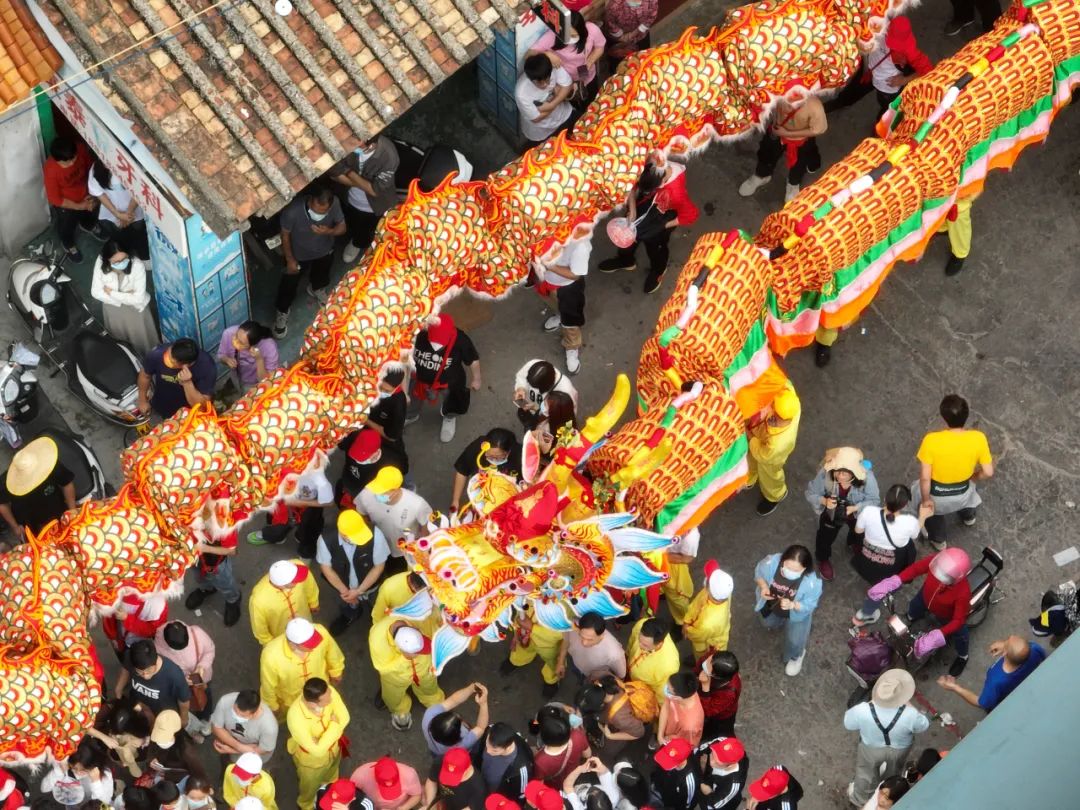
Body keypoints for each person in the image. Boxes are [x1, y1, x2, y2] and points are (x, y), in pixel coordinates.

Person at [860, 548, 972, 675]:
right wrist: (897, 580)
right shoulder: (939, 562)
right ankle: (910, 617)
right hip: (925, 597)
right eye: (939, 569)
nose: (939, 575)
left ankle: (963, 656)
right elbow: (916, 569)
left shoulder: (963, 593)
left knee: (961, 634)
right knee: (914, 607)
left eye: (945, 575)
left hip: (946, 615)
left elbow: (958, 620)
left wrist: (939, 634)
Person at [597, 158, 699, 294]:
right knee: (627, 236)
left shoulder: (676, 193)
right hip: (642, 207)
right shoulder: (648, 163)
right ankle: (626, 260)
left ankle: (658, 270)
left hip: (662, 217)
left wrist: (663, 226)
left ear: (661, 184)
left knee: (655, 248)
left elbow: (690, 215)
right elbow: (631, 185)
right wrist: (633, 208)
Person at [912, 393, 994, 550]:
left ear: (944, 417)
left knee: (932, 513)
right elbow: (988, 472)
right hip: (963, 491)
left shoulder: (931, 440)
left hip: (938, 495)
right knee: (970, 494)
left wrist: (926, 500)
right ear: (966, 415)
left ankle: (939, 540)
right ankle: (968, 517)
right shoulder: (978, 438)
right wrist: (974, 477)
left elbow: (925, 478)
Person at [843, 669, 929, 806]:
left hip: (870, 748)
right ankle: (887, 794)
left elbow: (848, 724)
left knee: (866, 774)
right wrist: (908, 704)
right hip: (899, 749)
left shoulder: (862, 710)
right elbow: (923, 725)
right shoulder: (910, 714)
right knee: (893, 774)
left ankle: (860, 800)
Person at [824, 17, 932, 120]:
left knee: (886, 108)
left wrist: (903, 80)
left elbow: (927, 70)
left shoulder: (910, 50)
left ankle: (880, 125)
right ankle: (839, 103)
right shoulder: (879, 25)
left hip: (887, 85)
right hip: (868, 72)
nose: (894, 46)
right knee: (851, 92)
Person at [274, 187, 346, 338]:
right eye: (315, 210)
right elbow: (284, 235)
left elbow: (342, 227)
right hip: (298, 254)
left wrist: (328, 231)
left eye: (323, 212)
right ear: (310, 200)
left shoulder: (335, 204)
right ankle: (282, 311)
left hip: (324, 250)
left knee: (322, 275)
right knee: (288, 284)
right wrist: (290, 260)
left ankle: (317, 289)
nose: (318, 215)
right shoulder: (292, 211)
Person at [738, 80, 827, 203]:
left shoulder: (814, 105)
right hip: (776, 130)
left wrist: (787, 134)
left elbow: (818, 129)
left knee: (799, 164)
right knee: (766, 154)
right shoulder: (777, 85)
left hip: (800, 140)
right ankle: (762, 175)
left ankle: (793, 184)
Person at [803, 446, 880, 581]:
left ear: (854, 473)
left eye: (844, 473)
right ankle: (823, 559)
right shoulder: (825, 473)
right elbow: (810, 493)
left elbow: (874, 500)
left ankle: (853, 543)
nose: (839, 476)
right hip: (832, 512)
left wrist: (856, 508)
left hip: (856, 514)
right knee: (824, 538)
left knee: (858, 532)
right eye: (837, 471)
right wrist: (824, 501)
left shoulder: (867, 477)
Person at [408, 314, 482, 443]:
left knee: (452, 401)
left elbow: (473, 360)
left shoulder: (461, 340)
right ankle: (411, 415)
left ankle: (449, 417)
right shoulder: (419, 333)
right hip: (419, 378)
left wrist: (477, 378)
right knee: (412, 397)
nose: (436, 347)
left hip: (450, 382)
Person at [317, 508, 390, 636]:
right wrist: (346, 593)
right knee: (348, 603)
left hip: (371, 585)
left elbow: (378, 566)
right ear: (343, 534)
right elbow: (326, 568)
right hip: (343, 586)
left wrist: (359, 591)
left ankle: (378, 618)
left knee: (378, 602)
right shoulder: (325, 540)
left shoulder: (375, 534)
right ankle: (351, 613)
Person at [248, 450, 334, 556]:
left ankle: (304, 547)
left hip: (307, 506)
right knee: (277, 524)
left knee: (308, 530)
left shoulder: (321, 482)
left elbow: (329, 502)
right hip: (285, 502)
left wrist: (301, 503)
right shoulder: (292, 461)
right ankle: (275, 536)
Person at [330, 135, 400, 265]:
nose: (350, 147)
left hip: (373, 206)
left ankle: (358, 244)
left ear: (370, 144)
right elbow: (334, 174)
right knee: (352, 221)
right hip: (348, 198)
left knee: (366, 229)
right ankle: (353, 238)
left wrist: (348, 172)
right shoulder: (345, 140)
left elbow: (375, 191)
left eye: (356, 145)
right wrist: (364, 184)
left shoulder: (388, 155)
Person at [753, 545, 822, 676]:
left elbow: (810, 604)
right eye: (788, 567)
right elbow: (759, 573)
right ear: (782, 560)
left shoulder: (812, 583)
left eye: (796, 570)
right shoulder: (771, 562)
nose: (790, 572)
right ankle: (780, 621)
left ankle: (797, 655)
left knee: (795, 641)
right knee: (767, 622)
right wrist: (763, 587)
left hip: (797, 613)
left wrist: (793, 605)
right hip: (773, 605)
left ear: (805, 569)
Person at [259, 617, 344, 720]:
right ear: (293, 645)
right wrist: (272, 705)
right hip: (290, 700)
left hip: (320, 691)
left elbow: (332, 652)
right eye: (309, 644)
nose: (315, 645)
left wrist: (336, 671)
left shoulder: (320, 631)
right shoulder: (270, 656)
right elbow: (268, 685)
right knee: (290, 717)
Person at [370, 619, 447, 730]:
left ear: (415, 629)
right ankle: (400, 710)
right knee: (393, 696)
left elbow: (434, 623)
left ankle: (433, 700)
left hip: (424, 668)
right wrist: (404, 659)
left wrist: (442, 624)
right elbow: (383, 669)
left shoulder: (418, 617)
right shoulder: (377, 638)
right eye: (418, 651)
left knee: (429, 687)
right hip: (396, 677)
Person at [936, 635, 1046, 712]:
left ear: (1005, 653)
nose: (1004, 641)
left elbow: (981, 703)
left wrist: (954, 687)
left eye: (1007, 641)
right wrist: (1005, 645)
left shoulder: (996, 681)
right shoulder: (1034, 649)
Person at [287, 678, 350, 810]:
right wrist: (334, 725)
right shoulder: (295, 717)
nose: (331, 699)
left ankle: (329, 786)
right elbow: (317, 751)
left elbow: (345, 717)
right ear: (312, 703)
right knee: (309, 786)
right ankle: (306, 805)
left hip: (334, 749)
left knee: (332, 772)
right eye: (327, 700)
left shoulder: (328, 691)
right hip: (312, 763)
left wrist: (322, 740)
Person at [850, 484, 930, 587]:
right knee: (910, 545)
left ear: (885, 498)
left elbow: (858, 531)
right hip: (889, 568)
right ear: (905, 505)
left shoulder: (868, 511)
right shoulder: (910, 522)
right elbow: (914, 535)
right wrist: (922, 517)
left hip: (866, 564)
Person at [0, 435, 76, 543]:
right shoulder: (7, 482)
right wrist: (15, 526)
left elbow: (67, 483)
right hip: (30, 522)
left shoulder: (50, 464)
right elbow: (2, 504)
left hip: (57, 511)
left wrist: (72, 510)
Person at [526, 11, 606, 111]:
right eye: (565, 34)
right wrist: (547, 54)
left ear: (581, 31)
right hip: (567, 80)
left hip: (587, 74)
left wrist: (590, 61)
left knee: (593, 99)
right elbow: (529, 54)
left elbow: (599, 47)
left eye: (573, 35)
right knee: (576, 103)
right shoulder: (552, 35)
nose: (568, 39)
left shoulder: (592, 29)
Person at [90, 239, 158, 355]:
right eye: (116, 261)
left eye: (124, 258)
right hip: (114, 309)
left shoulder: (137, 265)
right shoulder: (101, 261)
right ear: (107, 259)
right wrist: (127, 296)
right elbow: (96, 292)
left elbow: (138, 299)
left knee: (143, 339)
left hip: (135, 309)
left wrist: (112, 293)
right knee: (120, 339)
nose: (121, 263)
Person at [535, 237, 591, 374]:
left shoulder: (581, 245)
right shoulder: (544, 230)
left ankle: (572, 346)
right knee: (552, 302)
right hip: (545, 278)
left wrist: (550, 266)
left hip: (567, 287)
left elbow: (575, 275)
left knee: (570, 321)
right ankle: (559, 315)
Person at [356, 466, 432, 566]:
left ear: (396, 490)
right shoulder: (365, 495)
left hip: (405, 550)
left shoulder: (417, 504)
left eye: (382, 491)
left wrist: (422, 551)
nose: (376, 493)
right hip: (379, 547)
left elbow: (426, 529)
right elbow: (362, 515)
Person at [746, 384, 801, 516]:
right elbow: (783, 382)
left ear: (780, 417)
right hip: (761, 436)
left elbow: (762, 455)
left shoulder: (778, 444)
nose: (770, 409)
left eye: (773, 409)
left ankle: (775, 495)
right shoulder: (789, 398)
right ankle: (750, 476)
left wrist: (748, 434)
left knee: (769, 475)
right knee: (750, 456)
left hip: (770, 457)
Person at [154, 620, 215, 735]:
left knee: (205, 696)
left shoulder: (197, 634)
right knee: (186, 702)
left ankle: (205, 717)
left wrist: (202, 666)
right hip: (180, 683)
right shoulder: (159, 647)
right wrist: (180, 680)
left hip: (201, 678)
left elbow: (209, 650)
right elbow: (163, 669)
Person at [44, 136, 98, 261]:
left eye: (73, 158)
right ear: (56, 160)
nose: (72, 163)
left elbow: (91, 168)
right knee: (66, 226)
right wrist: (80, 206)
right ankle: (68, 244)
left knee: (90, 214)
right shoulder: (50, 169)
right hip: (67, 203)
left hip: (86, 194)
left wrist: (93, 193)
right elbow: (55, 199)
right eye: (66, 162)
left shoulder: (80, 148)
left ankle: (88, 225)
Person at [138, 338, 216, 420]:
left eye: (171, 362)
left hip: (187, 415)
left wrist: (187, 383)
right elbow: (145, 376)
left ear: (186, 365)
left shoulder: (206, 366)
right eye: (168, 354)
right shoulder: (158, 353)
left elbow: (201, 407)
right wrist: (142, 400)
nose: (166, 358)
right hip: (161, 404)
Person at [116, 639, 191, 723]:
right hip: (140, 704)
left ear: (156, 660)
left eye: (149, 671)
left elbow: (183, 700)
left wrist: (184, 718)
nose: (145, 676)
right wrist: (118, 690)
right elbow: (125, 670)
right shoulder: (130, 656)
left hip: (163, 713)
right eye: (139, 672)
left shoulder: (174, 674)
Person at [185, 519, 243, 628]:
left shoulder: (224, 521)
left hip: (216, 562)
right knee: (199, 577)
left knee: (224, 582)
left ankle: (233, 599)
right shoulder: (187, 513)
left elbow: (232, 550)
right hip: (194, 557)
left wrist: (204, 548)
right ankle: (207, 589)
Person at [248, 559, 320, 645]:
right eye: (294, 581)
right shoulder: (258, 600)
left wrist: (314, 602)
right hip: (280, 634)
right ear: (282, 584)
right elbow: (259, 627)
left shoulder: (297, 566)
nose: (299, 581)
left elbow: (310, 585)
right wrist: (269, 643)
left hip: (304, 620)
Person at [503, 603, 567, 698]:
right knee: (521, 650)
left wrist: (532, 628)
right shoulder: (531, 594)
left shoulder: (571, 602)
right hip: (525, 635)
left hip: (549, 645)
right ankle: (516, 661)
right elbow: (520, 608)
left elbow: (566, 633)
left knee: (553, 663)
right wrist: (516, 632)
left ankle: (551, 681)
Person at [578, 675, 646, 763]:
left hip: (627, 720)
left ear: (601, 705)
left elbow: (638, 733)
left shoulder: (619, 718)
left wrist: (610, 735)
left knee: (608, 751)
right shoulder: (604, 679)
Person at [451, 428, 523, 512]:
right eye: (490, 456)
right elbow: (462, 470)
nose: (494, 460)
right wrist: (455, 501)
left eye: (499, 457)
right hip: (480, 493)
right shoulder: (478, 446)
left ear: (509, 452)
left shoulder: (520, 456)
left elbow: (528, 483)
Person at [88, 161, 147, 256]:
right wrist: (117, 214)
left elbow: (140, 190)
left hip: (135, 208)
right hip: (113, 211)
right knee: (120, 234)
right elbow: (100, 195)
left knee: (139, 229)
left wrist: (129, 212)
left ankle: (141, 251)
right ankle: (127, 252)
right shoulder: (96, 170)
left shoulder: (135, 165)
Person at [338, 428, 409, 507]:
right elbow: (341, 444)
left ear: (376, 453)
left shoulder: (390, 465)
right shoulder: (354, 438)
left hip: (366, 495)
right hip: (349, 485)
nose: (355, 459)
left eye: (362, 457)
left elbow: (385, 493)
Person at [515, 55, 574, 149]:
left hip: (563, 115)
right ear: (530, 79)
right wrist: (557, 96)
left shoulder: (552, 66)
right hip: (541, 132)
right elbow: (536, 118)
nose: (545, 85)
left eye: (547, 80)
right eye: (539, 82)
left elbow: (567, 85)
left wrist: (551, 105)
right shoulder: (521, 93)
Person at [421, 683, 490, 759]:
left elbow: (453, 700)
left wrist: (471, 688)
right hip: (455, 755)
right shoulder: (463, 744)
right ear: (458, 736)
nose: (458, 715)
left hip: (435, 750)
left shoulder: (429, 716)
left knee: (439, 758)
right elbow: (481, 728)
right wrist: (483, 703)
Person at [209, 689, 278, 763]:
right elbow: (216, 727)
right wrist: (238, 746)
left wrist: (232, 750)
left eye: (242, 715)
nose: (236, 716)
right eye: (235, 710)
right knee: (226, 761)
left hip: (250, 759)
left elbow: (263, 750)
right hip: (231, 744)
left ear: (255, 713)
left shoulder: (269, 727)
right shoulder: (225, 701)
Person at [682, 561, 734, 660]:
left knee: (703, 658)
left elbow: (697, 635)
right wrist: (687, 620)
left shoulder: (708, 623)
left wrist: (687, 630)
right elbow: (696, 604)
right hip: (710, 632)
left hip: (709, 644)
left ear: (709, 588)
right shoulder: (723, 594)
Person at [557, 612, 627, 683]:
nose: (584, 643)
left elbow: (621, 676)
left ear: (602, 636)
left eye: (590, 639)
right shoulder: (572, 624)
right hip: (576, 663)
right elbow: (566, 641)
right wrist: (561, 662)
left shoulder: (614, 654)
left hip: (594, 679)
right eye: (581, 636)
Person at [531, 705, 591, 788]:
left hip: (556, 785)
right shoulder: (577, 735)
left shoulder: (540, 761)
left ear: (543, 738)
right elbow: (587, 754)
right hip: (574, 776)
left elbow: (539, 784)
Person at [473, 722, 534, 800]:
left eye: (494, 750)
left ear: (508, 747)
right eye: (487, 744)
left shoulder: (521, 770)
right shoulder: (489, 731)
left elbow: (519, 797)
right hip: (480, 779)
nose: (488, 751)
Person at [145, 709, 207, 784]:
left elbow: (196, 774)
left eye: (163, 738)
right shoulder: (157, 734)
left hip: (176, 778)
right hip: (162, 769)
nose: (159, 742)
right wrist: (151, 759)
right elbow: (152, 746)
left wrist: (168, 776)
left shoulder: (187, 751)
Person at [513, 360, 579, 431]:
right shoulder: (533, 365)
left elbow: (565, 420)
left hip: (546, 424)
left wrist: (540, 430)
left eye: (537, 387)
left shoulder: (566, 392)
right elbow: (521, 377)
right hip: (532, 410)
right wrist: (520, 388)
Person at [626, 618, 679, 702]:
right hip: (628, 669)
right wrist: (627, 654)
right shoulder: (641, 624)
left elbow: (661, 692)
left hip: (640, 689)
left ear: (659, 644)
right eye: (639, 640)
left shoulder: (669, 666)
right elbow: (631, 642)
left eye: (645, 645)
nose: (639, 645)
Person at [218, 321, 280, 392]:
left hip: (255, 384)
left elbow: (267, 381)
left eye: (241, 343)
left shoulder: (269, 347)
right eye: (236, 336)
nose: (235, 342)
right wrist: (226, 360)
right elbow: (221, 355)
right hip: (236, 378)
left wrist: (259, 360)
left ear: (252, 345)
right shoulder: (228, 333)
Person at [658, 527, 700, 629]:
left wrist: (658, 556)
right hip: (661, 560)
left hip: (672, 565)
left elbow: (686, 558)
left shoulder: (691, 536)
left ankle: (682, 620)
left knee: (677, 596)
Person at [372, 571, 437, 634]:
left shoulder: (427, 581)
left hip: (432, 627)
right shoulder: (389, 588)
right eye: (416, 592)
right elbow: (377, 617)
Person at [366, 365, 410, 459]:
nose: (381, 392)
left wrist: (365, 421)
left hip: (383, 443)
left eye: (387, 391)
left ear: (397, 387)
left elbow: (391, 437)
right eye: (380, 387)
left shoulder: (398, 404)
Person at [697, 652, 741, 740]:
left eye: (707, 670)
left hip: (721, 717)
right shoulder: (714, 659)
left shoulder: (728, 694)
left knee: (719, 734)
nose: (705, 662)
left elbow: (708, 711)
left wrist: (705, 688)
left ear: (716, 676)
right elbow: (700, 664)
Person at [351, 756, 423, 810]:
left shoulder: (409, 774)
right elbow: (351, 799)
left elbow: (417, 795)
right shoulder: (360, 777)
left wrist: (403, 808)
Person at [603, 0, 658, 71]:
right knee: (620, 66)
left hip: (641, 36)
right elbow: (610, 22)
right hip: (619, 41)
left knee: (643, 60)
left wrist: (634, 33)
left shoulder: (652, 1)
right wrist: (621, 36)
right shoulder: (614, 5)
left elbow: (652, 16)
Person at [697, 736, 748, 810]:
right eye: (713, 754)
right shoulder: (722, 742)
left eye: (717, 762)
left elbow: (715, 804)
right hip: (710, 782)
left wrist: (708, 793)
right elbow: (705, 746)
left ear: (730, 765)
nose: (711, 762)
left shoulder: (731, 785)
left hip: (722, 802)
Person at [651, 738, 701, 810]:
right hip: (662, 788)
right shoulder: (666, 748)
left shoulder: (689, 780)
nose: (663, 763)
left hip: (672, 802)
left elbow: (687, 804)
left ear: (681, 761)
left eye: (669, 761)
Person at [658, 672, 704, 748]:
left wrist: (665, 740)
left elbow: (686, 745)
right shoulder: (685, 691)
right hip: (667, 732)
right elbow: (666, 706)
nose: (666, 689)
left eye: (668, 689)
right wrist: (660, 735)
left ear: (678, 697)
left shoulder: (690, 725)